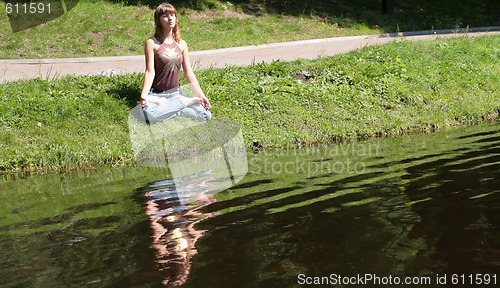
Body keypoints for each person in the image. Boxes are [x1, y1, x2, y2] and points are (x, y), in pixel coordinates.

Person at [140, 3, 212, 122]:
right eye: (165, 16)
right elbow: (149, 71)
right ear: (158, 20)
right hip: (157, 95)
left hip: (175, 94)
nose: (170, 18)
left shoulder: (181, 44)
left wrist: (201, 95)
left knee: (206, 116)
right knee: (148, 115)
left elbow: (189, 73)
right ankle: (181, 106)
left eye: (173, 15)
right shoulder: (152, 43)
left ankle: (174, 107)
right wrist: (144, 95)